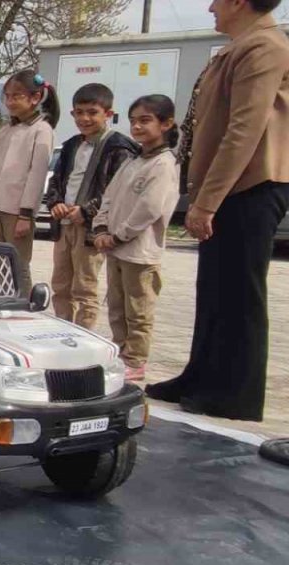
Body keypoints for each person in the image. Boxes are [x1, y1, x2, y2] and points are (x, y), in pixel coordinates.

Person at [147, 0, 289, 421]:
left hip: (251, 185)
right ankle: (202, 375)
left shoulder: (266, 47)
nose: (210, 6)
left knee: (240, 293)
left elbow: (245, 129)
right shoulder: (239, 47)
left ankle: (235, 394)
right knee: (214, 289)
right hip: (228, 187)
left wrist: (207, 201)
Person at [92, 94, 179, 383]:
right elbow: (109, 196)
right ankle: (120, 351)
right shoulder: (133, 160)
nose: (138, 127)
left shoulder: (164, 164)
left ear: (166, 124)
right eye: (133, 121)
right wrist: (102, 228)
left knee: (138, 310)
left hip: (140, 252)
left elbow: (150, 208)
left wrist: (119, 235)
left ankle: (135, 359)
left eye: (145, 120)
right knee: (116, 306)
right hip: (115, 248)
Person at [45, 83, 139, 329]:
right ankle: (61, 331)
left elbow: (116, 190)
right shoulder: (71, 145)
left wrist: (86, 211)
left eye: (92, 112)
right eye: (79, 112)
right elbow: (57, 179)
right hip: (65, 225)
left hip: (89, 229)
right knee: (61, 285)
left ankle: (83, 337)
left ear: (108, 114)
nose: (84, 118)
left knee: (84, 289)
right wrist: (55, 203)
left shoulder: (118, 148)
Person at [0, 70, 59, 292]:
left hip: (17, 211)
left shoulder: (41, 130)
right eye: (7, 96)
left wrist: (26, 214)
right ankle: (3, 303)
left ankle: (21, 307)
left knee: (18, 265)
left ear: (35, 98)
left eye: (17, 96)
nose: (10, 101)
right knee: (0, 265)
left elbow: (37, 174)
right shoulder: (6, 130)